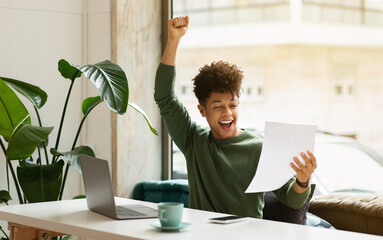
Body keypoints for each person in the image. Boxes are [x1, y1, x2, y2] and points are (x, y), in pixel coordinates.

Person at [154, 16, 317, 218]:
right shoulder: (193, 140)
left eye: (233, 105)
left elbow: (292, 199)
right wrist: (174, 40)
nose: (227, 113)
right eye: (218, 106)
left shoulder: (258, 148)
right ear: (202, 110)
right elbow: (164, 97)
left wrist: (302, 180)